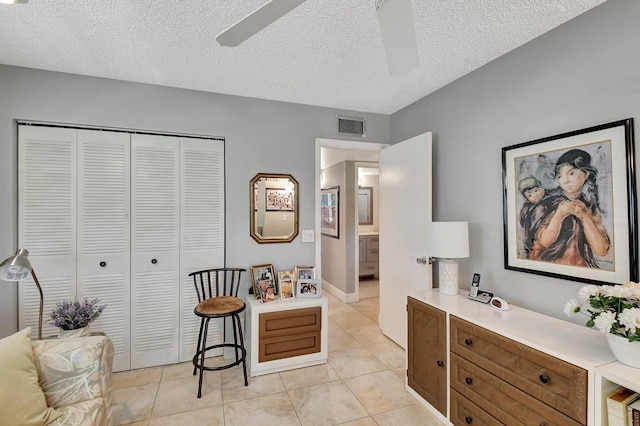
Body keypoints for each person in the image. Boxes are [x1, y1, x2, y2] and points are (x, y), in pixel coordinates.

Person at [529, 149, 610, 267]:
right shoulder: (548, 202)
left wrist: (585, 216)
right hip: (548, 265)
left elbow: (601, 249)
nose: (565, 181)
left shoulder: (588, 207)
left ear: (586, 174)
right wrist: (559, 214)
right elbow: (544, 241)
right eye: (560, 176)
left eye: (571, 173)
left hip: (579, 268)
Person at [517, 176, 547, 258]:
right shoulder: (527, 209)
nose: (535, 195)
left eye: (536, 190)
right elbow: (522, 222)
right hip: (532, 240)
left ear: (541, 188)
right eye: (530, 196)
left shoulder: (551, 199)